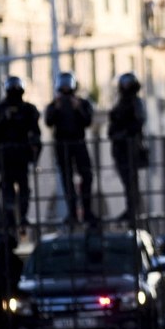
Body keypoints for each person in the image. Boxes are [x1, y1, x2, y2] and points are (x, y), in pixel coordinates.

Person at [0, 76, 42, 232]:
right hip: (6, 157)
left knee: (23, 188)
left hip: (21, 156)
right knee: (7, 190)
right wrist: (3, 120)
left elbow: (35, 132)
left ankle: (22, 217)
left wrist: (34, 152)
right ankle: (10, 219)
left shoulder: (28, 109)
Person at [44, 71, 97, 225]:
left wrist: (78, 108)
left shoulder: (82, 103)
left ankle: (87, 211)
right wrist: (56, 108)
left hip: (79, 143)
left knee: (87, 176)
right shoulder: (54, 104)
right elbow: (48, 121)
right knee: (67, 180)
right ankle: (72, 213)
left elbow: (88, 121)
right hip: (62, 146)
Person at [107, 72, 148, 222]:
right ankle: (131, 209)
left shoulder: (136, 102)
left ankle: (133, 210)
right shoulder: (121, 102)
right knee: (127, 181)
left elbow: (138, 122)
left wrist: (124, 134)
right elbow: (113, 124)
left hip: (131, 147)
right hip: (120, 148)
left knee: (132, 181)